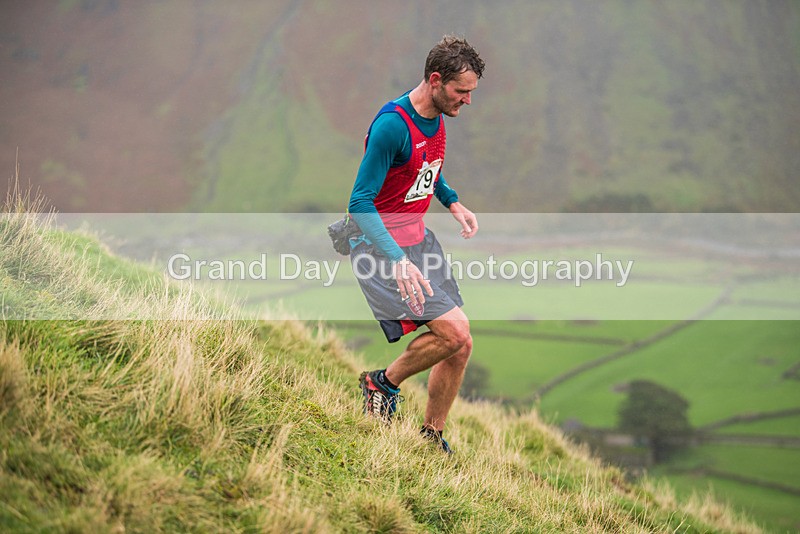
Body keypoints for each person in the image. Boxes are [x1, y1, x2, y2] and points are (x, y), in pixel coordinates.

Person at [347, 35, 484, 454]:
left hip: (418, 241)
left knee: (462, 344)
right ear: (436, 80)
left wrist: (453, 201)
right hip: (379, 249)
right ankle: (381, 383)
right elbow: (359, 202)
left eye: (472, 93)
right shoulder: (392, 125)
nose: (468, 101)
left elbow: (428, 169)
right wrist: (397, 262)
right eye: (462, 92)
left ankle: (430, 436)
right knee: (453, 332)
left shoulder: (439, 116)